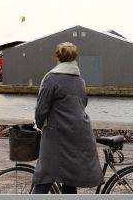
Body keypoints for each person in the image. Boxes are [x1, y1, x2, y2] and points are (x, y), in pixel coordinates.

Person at [33, 42, 98, 194]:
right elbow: (83, 104)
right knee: (70, 178)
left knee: (45, 176)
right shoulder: (80, 80)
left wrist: (39, 125)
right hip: (79, 133)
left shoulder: (51, 79)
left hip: (57, 134)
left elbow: (41, 109)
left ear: (57, 57)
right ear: (75, 58)